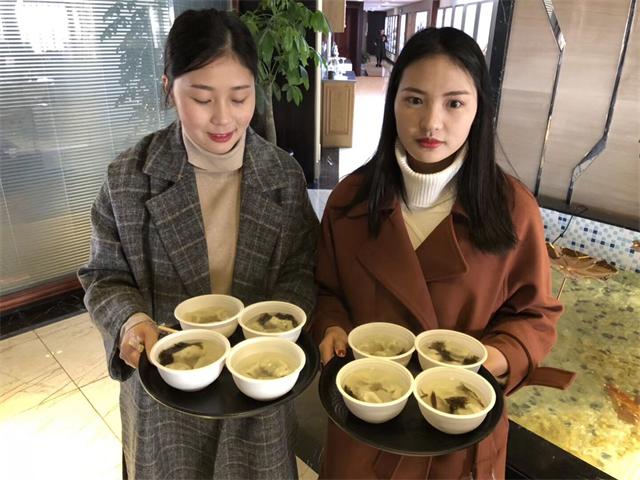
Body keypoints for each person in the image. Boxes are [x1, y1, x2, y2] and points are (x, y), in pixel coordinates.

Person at [311, 27, 574, 479]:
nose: (431, 123)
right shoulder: (350, 200)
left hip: (459, 429)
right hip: (367, 423)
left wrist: (495, 357)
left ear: (479, 110)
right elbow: (326, 289)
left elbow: (535, 315)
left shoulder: (512, 209)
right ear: (393, 103)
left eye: (454, 103)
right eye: (414, 100)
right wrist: (331, 326)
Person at [78, 8, 318, 479]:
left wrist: (276, 329)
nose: (223, 117)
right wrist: (130, 322)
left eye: (240, 96)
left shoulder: (282, 176)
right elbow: (104, 275)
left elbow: (302, 267)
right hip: (166, 397)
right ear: (169, 88)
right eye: (202, 98)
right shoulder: (129, 178)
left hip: (259, 387)